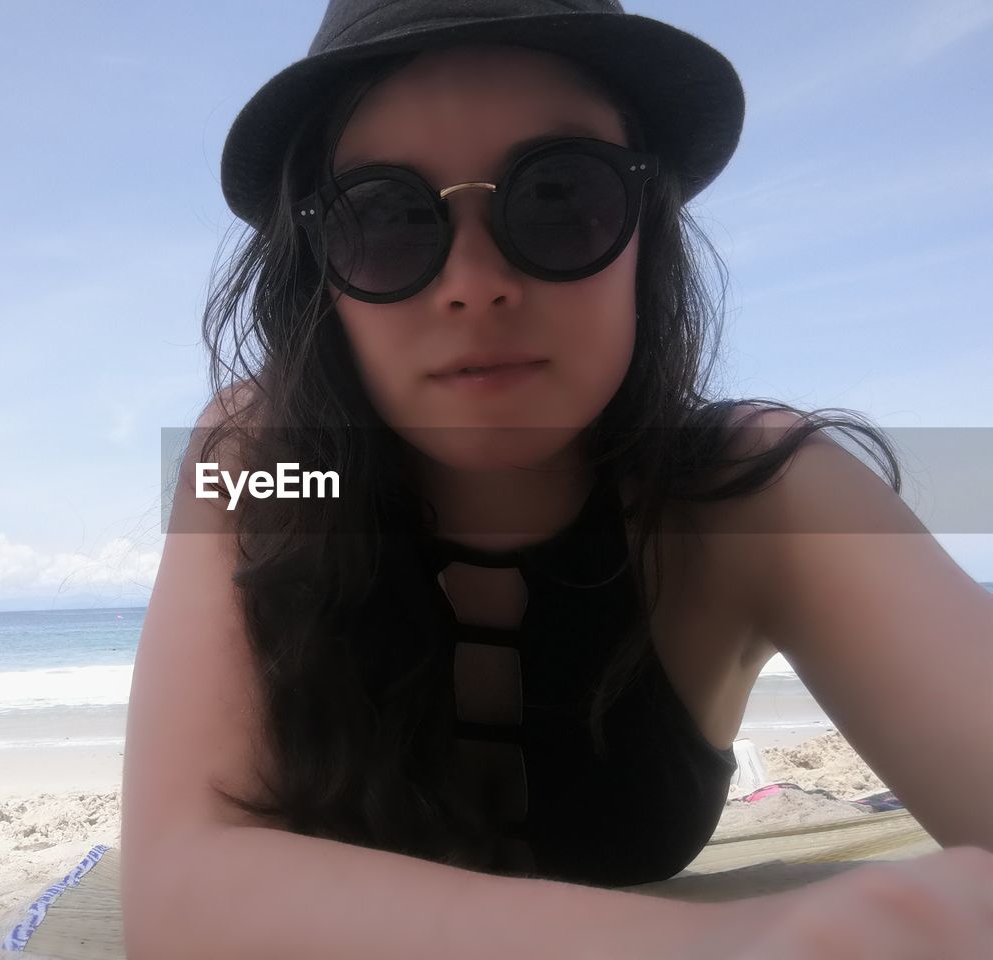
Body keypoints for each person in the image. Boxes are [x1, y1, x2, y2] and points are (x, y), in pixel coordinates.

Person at [120, 2, 993, 958]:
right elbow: (180, 889)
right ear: (320, 277)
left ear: (646, 234)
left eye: (557, 196)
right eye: (385, 218)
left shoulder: (750, 501)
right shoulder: (276, 472)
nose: (474, 281)